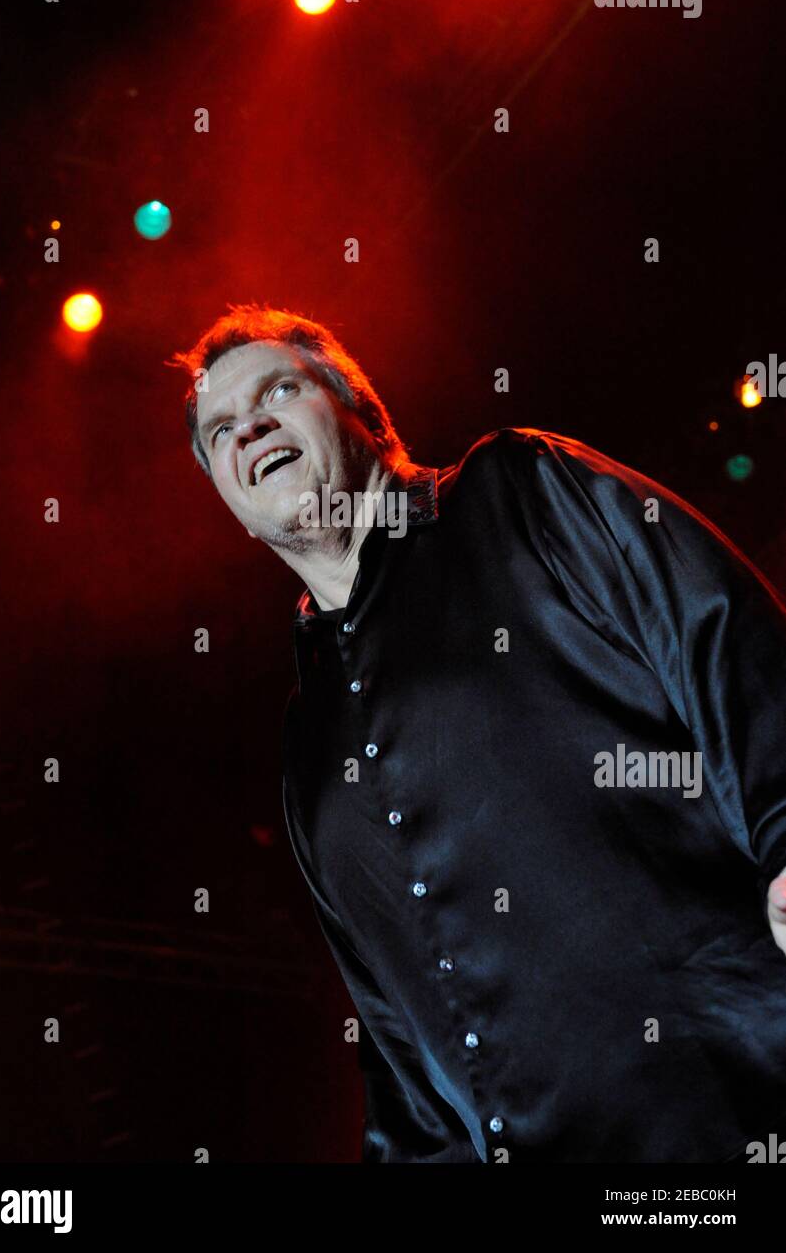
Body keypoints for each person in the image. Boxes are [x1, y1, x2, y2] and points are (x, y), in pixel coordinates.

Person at [174, 303, 786, 1164]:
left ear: (364, 414)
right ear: (230, 503)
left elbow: (720, 635)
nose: (252, 427)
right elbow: (394, 1034)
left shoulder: (520, 492)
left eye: (281, 389)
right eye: (222, 430)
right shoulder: (308, 740)